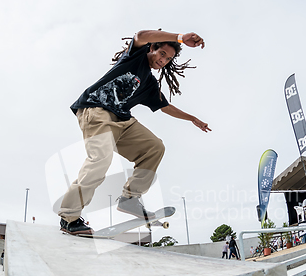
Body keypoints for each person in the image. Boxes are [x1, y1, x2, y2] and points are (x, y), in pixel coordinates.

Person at [58, 29, 210, 235]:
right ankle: (69, 216)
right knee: (101, 160)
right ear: (152, 48)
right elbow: (140, 36)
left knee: (154, 147)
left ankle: (130, 198)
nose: (163, 61)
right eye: (161, 54)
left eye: (168, 59)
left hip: (122, 121)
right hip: (97, 110)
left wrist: (192, 118)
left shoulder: (149, 83)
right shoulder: (135, 56)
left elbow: (165, 107)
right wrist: (180, 38)